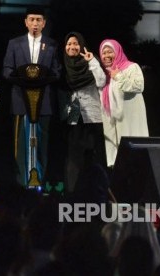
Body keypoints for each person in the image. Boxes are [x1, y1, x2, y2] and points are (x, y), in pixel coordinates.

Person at [2, 8, 61, 186]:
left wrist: (41, 79)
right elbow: (7, 70)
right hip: (21, 100)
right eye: (32, 20)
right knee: (20, 145)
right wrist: (24, 79)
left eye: (38, 20)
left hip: (43, 103)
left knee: (41, 143)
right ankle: (21, 183)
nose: (35, 23)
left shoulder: (51, 45)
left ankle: (39, 183)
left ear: (44, 23)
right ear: (25, 22)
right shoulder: (14, 43)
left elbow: (57, 72)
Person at [61, 32, 107, 193]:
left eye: (75, 43)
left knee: (95, 156)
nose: (72, 47)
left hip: (92, 117)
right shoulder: (64, 64)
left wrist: (92, 60)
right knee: (73, 158)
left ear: (81, 45)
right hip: (73, 118)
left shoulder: (89, 60)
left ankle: (98, 190)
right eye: (69, 44)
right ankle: (73, 191)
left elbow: (101, 81)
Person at [99, 39, 149, 168]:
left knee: (134, 160)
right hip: (113, 127)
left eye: (110, 52)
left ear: (118, 51)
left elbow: (139, 86)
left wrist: (118, 76)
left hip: (130, 122)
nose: (106, 56)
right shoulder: (104, 76)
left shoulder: (131, 67)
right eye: (103, 53)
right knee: (117, 163)